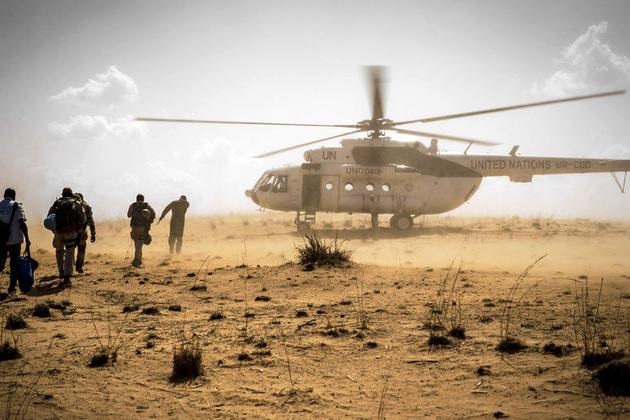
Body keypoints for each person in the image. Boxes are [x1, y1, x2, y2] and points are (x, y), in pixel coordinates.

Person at [48, 187, 86, 287]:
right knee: (69, 253)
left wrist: (55, 231)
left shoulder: (57, 203)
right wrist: (78, 229)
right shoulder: (76, 203)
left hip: (58, 232)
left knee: (59, 252)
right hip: (71, 232)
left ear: (63, 194)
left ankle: (61, 271)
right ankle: (67, 278)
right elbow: (83, 217)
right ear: (71, 194)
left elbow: (49, 217)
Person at [0, 188, 30, 295]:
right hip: (15, 240)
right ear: (14, 196)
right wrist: (27, 239)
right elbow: (22, 224)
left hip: (1, 241)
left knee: (0, 263)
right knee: (14, 265)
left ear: (4, 195)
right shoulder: (17, 206)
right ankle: (11, 289)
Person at [127, 194, 155, 268]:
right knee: (139, 246)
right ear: (143, 199)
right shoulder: (146, 206)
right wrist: (148, 220)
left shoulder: (133, 206)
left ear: (136, 199)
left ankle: (139, 260)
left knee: (137, 245)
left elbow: (128, 215)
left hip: (134, 229)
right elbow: (153, 215)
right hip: (142, 229)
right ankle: (136, 261)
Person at [75, 193, 96, 273]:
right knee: (81, 249)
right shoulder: (85, 206)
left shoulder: (71, 204)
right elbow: (91, 221)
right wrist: (93, 234)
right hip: (82, 232)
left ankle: (67, 267)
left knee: (69, 249)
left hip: (70, 231)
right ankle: (79, 267)